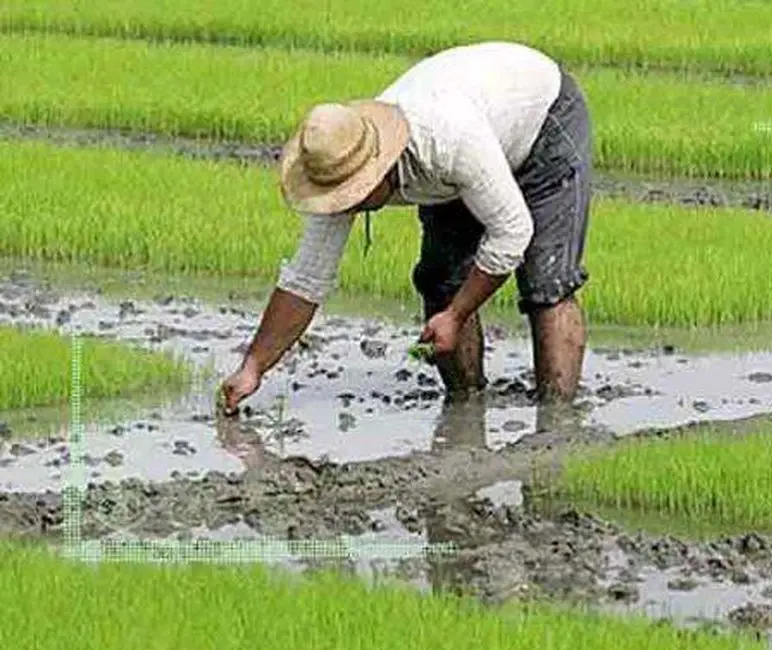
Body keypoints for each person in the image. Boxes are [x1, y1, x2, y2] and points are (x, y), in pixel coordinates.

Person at [219, 41, 593, 415]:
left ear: (379, 168)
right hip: (471, 139)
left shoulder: (446, 142)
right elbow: (306, 280)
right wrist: (253, 368)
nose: (347, 206)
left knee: (547, 283)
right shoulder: (336, 161)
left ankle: (556, 425)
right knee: (441, 280)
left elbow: (513, 233)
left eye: (357, 193)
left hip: (542, 116)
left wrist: (458, 314)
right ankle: (465, 410)